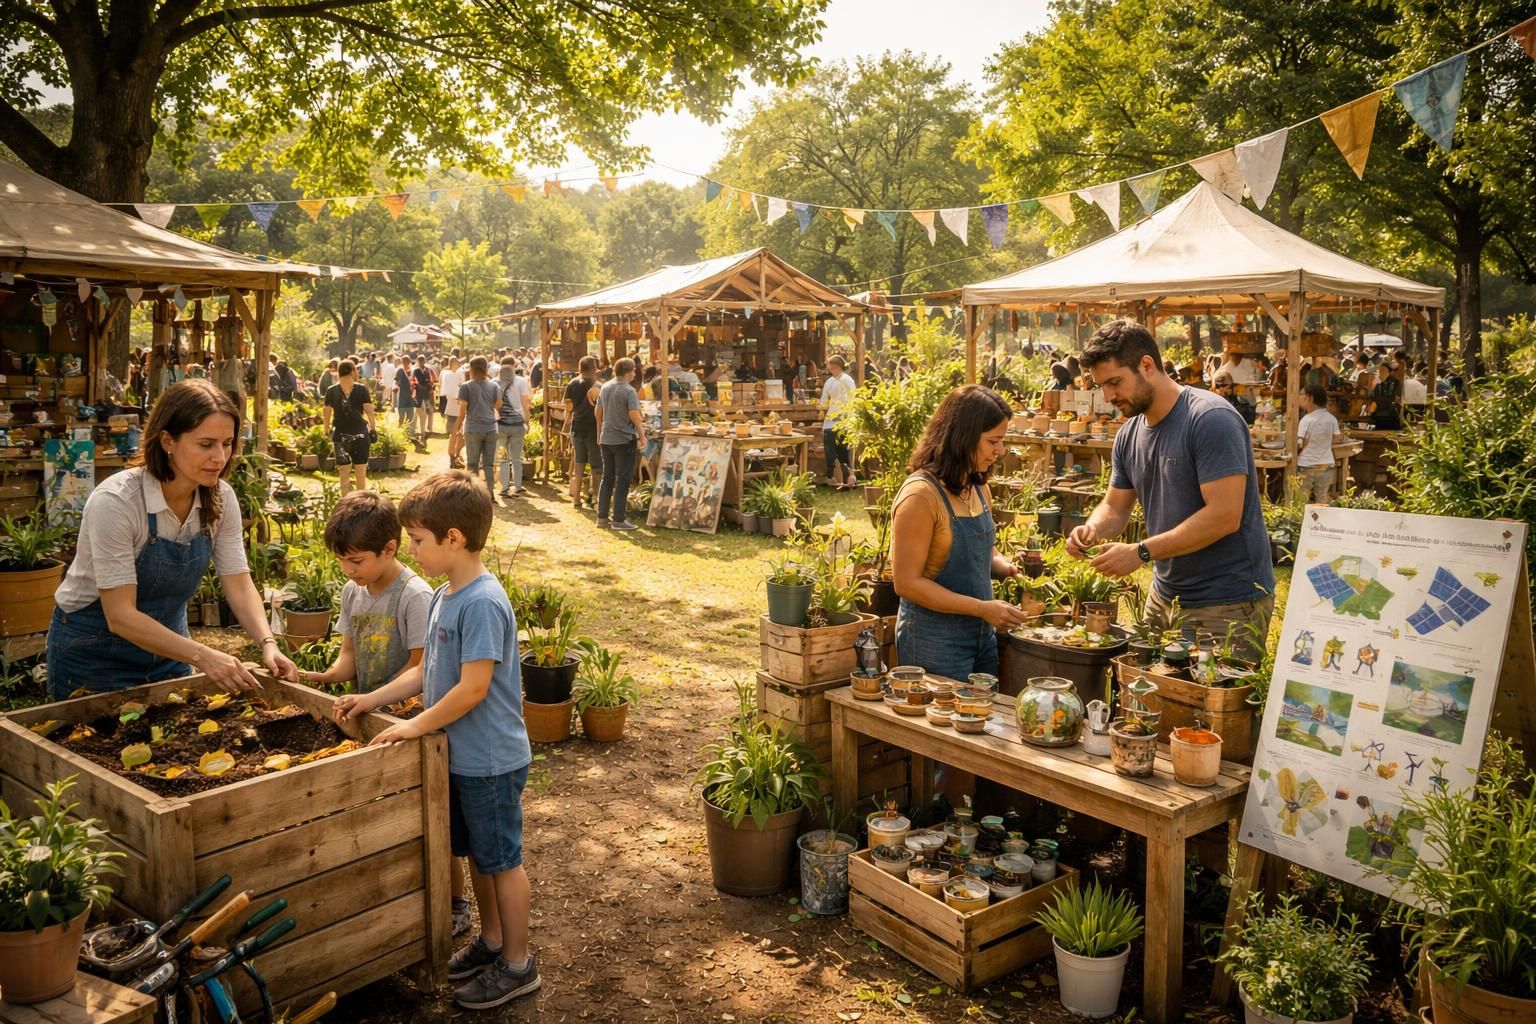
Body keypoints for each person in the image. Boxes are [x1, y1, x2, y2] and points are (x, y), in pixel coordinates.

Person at [334, 472, 538, 1009]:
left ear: (453, 538)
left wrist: (415, 725)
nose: (414, 552)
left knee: (502, 860)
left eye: (420, 541)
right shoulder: (448, 595)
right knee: (475, 854)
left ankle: (519, 963)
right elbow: (429, 677)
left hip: (490, 760)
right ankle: (492, 941)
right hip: (462, 758)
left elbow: (472, 689)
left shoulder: (483, 602)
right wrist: (373, 700)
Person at [47, 381, 299, 699]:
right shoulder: (117, 502)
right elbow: (120, 615)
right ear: (168, 440)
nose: (219, 457)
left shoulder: (222, 498)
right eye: (206, 444)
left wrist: (268, 644)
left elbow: (238, 582)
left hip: (170, 651)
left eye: (227, 443)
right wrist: (203, 655)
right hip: (94, 653)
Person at [1067, 320, 1274, 659]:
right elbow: (1116, 507)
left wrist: (1141, 552)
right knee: (1147, 703)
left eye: (1115, 382)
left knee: (1213, 708)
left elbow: (1224, 516)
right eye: (1102, 386)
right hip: (1165, 597)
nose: (1108, 396)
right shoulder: (1129, 434)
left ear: (1147, 365)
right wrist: (1091, 529)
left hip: (1227, 602)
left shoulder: (1210, 419)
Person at [890, 385, 1027, 682]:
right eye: (993, 441)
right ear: (963, 437)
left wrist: (1009, 568)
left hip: (981, 637)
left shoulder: (977, 487)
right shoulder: (920, 497)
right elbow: (907, 583)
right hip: (933, 641)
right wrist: (981, 608)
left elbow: (985, 554)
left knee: (982, 720)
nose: (1000, 451)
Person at [300, 491, 432, 694]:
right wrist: (325, 677)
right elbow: (349, 654)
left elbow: (419, 668)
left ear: (389, 549)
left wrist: (376, 699)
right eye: (340, 559)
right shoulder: (352, 591)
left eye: (356, 561)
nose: (347, 570)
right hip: (364, 709)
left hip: (403, 715)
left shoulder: (414, 596)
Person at [594, 357, 647, 531]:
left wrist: (599, 433)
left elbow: (598, 412)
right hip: (624, 439)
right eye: (633, 371)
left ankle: (602, 517)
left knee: (607, 477)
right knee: (623, 479)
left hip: (607, 438)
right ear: (628, 371)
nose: (634, 373)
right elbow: (634, 415)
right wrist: (642, 435)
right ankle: (618, 519)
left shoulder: (605, 387)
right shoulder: (629, 390)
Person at [323, 360, 377, 496]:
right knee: (360, 471)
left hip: (340, 435)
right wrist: (373, 428)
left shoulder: (331, 391)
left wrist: (326, 429)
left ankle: (346, 503)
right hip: (360, 434)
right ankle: (360, 502)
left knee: (344, 474)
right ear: (352, 371)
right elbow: (369, 410)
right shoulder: (361, 389)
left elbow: (327, 411)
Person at [456, 357, 503, 496]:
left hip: (473, 428)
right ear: (486, 369)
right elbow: (499, 404)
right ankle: (490, 492)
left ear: (471, 369)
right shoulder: (494, 386)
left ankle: (474, 494)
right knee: (489, 464)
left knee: (472, 464)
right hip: (491, 428)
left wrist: (457, 428)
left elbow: (462, 410)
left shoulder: (466, 387)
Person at [564, 356, 601, 508]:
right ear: (594, 368)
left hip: (577, 427)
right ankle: (596, 498)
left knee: (579, 464)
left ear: (580, 367)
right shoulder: (599, 386)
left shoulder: (572, 384)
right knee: (597, 466)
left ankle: (576, 499)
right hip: (593, 428)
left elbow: (568, 407)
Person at [1296, 383, 1340, 503]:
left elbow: (1299, 443)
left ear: (1310, 398)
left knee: (1301, 500)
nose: (1298, 397)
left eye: (1301, 394)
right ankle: (1322, 521)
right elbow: (1336, 438)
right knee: (1322, 498)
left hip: (1306, 464)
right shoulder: (1332, 419)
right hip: (1326, 464)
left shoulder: (1306, 420)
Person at [494, 357, 532, 498]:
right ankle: (517, 485)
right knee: (516, 457)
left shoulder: (493, 383)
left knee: (503, 457)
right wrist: (527, 421)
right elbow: (525, 403)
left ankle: (504, 488)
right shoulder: (521, 381)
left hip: (501, 425)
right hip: (517, 424)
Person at [819, 355, 858, 490]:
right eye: (830, 368)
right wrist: (822, 407)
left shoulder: (847, 380)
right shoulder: (829, 382)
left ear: (840, 366)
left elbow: (853, 398)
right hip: (831, 420)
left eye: (834, 368)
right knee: (830, 450)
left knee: (844, 450)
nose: (832, 370)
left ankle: (850, 477)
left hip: (845, 419)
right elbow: (823, 401)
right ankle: (832, 476)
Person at [439, 356, 465, 468]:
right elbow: (445, 391)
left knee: (461, 436)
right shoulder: (446, 374)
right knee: (454, 434)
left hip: (460, 408)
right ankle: (452, 458)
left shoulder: (460, 373)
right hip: (452, 408)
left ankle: (457, 456)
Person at [1367, 362, 1402, 430]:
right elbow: (1372, 396)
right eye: (1379, 370)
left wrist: (1376, 403)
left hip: (1389, 413)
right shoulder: (1379, 385)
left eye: (1382, 370)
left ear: (1389, 372)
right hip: (1379, 412)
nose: (1380, 372)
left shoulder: (1394, 383)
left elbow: (1392, 398)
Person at [413, 356, 436, 440]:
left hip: (426, 394)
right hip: (419, 394)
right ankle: (419, 430)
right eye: (420, 361)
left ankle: (429, 428)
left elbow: (431, 380)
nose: (422, 363)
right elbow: (415, 381)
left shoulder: (427, 370)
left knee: (430, 410)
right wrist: (421, 387)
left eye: (423, 361)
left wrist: (431, 388)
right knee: (420, 413)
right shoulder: (416, 371)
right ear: (418, 362)